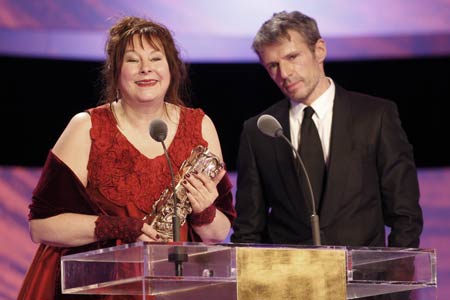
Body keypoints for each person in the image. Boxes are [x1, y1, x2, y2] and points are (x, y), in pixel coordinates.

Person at [18, 16, 236, 299]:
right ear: (116, 71)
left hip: (177, 287)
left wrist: (205, 209)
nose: (146, 69)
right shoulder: (86, 127)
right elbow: (41, 226)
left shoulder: (201, 126)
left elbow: (217, 233)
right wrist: (118, 227)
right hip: (99, 289)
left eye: (156, 58)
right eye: (133, 60)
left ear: (171, 68)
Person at [231, 11, 423, 249]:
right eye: (273, 65)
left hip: (361, 280)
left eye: (292, 57)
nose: (284, 73)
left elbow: (405, 213)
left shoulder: (375, 116)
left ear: (319, 50)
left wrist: (397, 276)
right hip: (288, 281)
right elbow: (248, 229)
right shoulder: (260, 130)